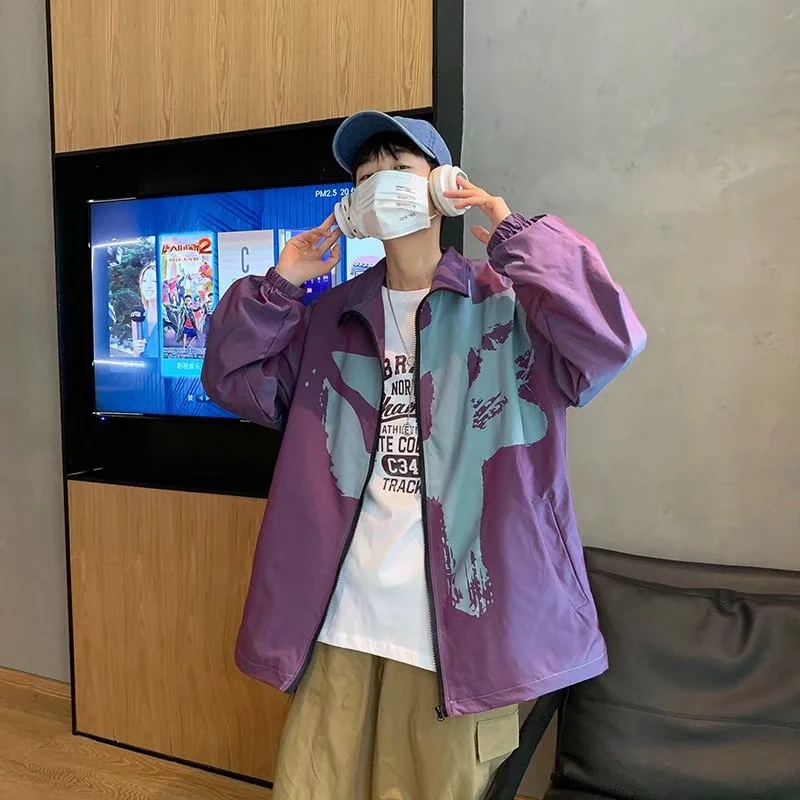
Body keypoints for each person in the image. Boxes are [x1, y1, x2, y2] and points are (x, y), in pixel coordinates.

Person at [202, 111, 646, 800]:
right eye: (365, 175)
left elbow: (608, 342)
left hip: (466, 628)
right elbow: (234, 382)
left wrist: (518, 238)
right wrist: (281, 284)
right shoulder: (330, 317)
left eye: (399, 169)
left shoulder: (507, 308)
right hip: (341, 615)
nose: (381, 185)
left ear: (443, 186)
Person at [133, 262, 159, 358]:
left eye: (154, 281)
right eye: (144, 281)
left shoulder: (170, 316)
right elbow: (136, 357)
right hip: (144, 367)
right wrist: (136, 350)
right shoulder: (138, 315)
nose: (148, 286)